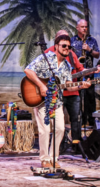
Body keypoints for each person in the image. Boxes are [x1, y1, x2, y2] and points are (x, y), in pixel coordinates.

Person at [25, 34, 74, 168]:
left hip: (57, 101)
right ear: (56, 46)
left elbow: (68, 85)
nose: (66, 49)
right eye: (64, 46)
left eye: (69, 47)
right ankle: (44, 159)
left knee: (60, 129)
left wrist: (81, 85)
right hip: (42, 101)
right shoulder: (45, 58)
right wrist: (41, 85)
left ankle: (54, 157)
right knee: (45, 130)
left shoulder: (67, 66)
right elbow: (28, 70)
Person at [45, 29, 92, 153]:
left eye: (67, 43)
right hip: (57, 94)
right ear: (56, 42)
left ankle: (77, 146)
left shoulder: (71, 54)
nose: (66, 46)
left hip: (73, 92)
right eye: (62, 41)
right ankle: (56, 147)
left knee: (76, 119)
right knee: (56, 122)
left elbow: (80, 69)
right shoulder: (48, 53)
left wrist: (89, 73)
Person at [71, 19, 100, 127]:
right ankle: (80, 121)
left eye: (86, 27)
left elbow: (97, 55)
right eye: (82, 27)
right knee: (77, 98)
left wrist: (89, 50)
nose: (84, 29)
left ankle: (92, 122)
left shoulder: (92, 40)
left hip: (89, 73)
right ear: (77, 28)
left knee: (90, 98)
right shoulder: (72, 40)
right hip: (77, 74)